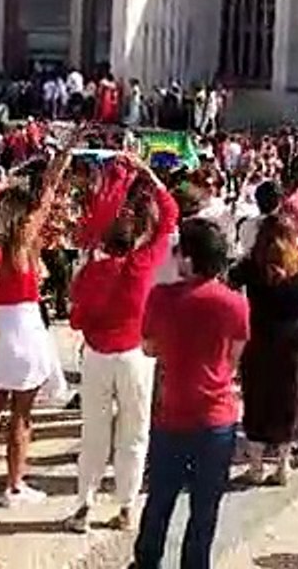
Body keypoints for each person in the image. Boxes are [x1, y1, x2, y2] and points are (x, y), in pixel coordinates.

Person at [64, 153, 178, 533]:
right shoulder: (142, 265)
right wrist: (147, 173)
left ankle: (84, 505)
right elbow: (170, 216)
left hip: (98, 355)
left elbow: (76, 319)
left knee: (94, 433)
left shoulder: (91, 274)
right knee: (134, 432)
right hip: (135, 354)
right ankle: (127, 506)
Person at [133, 218, 250, 569]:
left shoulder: (161, 297)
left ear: (188, 257)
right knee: (205, 506)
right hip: (216, 415)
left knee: (160, 499)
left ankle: (147, 561)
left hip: (173, 411)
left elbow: (149, 347)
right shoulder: (234, 303)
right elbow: (234, 356)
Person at [0, 150, 73, 505]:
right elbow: (47, 193)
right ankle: (15, 485)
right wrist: (62, 158)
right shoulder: (26, 240)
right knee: (22, 415)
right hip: (26, 328)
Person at [228, 214, 298, 485]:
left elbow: (230, 280)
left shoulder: (252, 263)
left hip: (257, 338)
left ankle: (256, 466)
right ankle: (282, 465)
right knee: (286, 399)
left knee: (256, 398)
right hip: (291, 341)